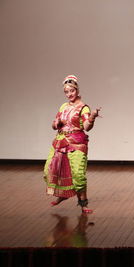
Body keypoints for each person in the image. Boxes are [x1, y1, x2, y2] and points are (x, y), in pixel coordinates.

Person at [43, 75, 100, 213]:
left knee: (78, 175)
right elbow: (54, 124)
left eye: (72, 91)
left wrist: (92, 117)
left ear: (77, 90)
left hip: (76, 144)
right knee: (49, 170)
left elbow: (86, 126)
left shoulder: (83, 108)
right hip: (60, 142)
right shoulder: (63, 106)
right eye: (66, 92)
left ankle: (83, 203)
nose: (69, 94)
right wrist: (56, 123)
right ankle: (63, 195)